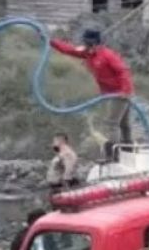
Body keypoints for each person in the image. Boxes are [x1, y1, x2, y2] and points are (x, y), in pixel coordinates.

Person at [50, 29, 134, 157]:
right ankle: (128, 151)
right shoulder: (87, 53)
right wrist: (52, 42)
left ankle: (114, 155)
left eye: (89, 44)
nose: (87, 47)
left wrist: (125, 90)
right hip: (109, 93)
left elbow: (123, 71)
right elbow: (69, 50)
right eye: (86, 44)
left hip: (119, 93)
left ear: (96, 44)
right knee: (123, 123)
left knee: (112, 123)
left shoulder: (108, 55)